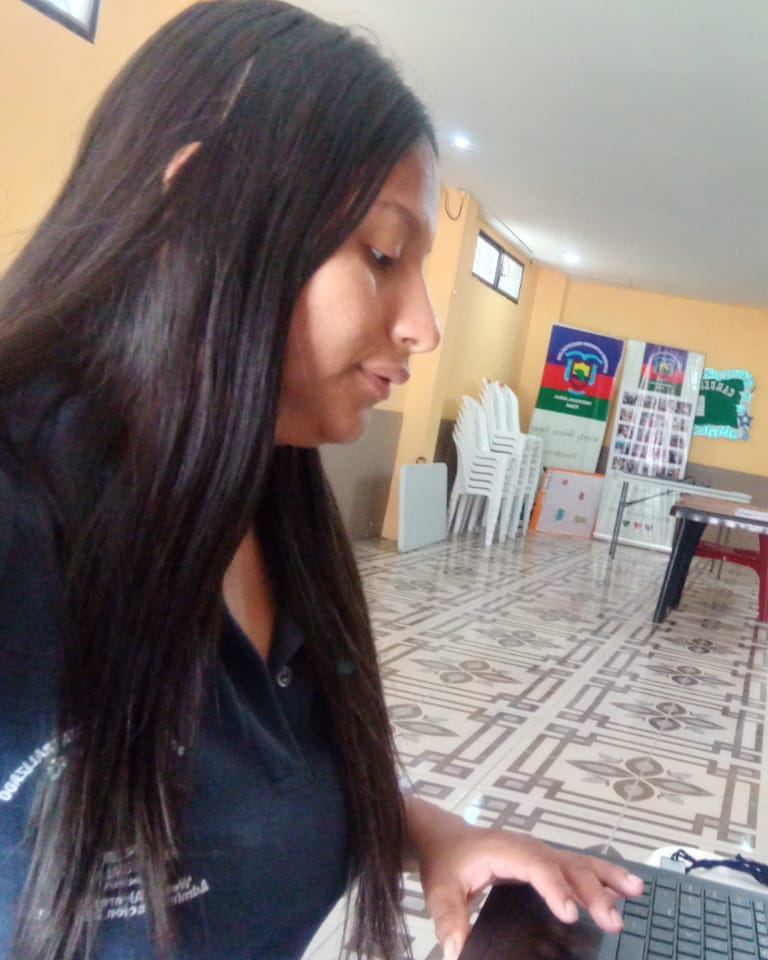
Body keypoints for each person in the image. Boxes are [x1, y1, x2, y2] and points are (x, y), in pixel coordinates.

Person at [0, 2, 642, 958]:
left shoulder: (269, 498)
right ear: (200, 210)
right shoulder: (23, 512)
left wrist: (435, 835)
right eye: (381, 255)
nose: (424, 326)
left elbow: (267, 788)